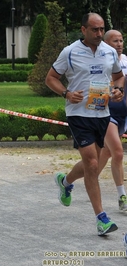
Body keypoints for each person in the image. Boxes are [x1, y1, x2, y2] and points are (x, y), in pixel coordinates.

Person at [45, 13, 125, 236]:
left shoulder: (109, 52)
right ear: (83, 29)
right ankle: (102, 219)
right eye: (95, 30)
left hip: (102, 113)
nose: (99, 34)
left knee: (93, 162)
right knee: (91, 164)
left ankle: (65, 181)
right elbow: (50, 77)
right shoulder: (70, 52)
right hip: (78, 114)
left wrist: (118, 90)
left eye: (102, 29)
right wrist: (66, 93)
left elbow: (119, 77)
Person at [97, 29, 127, 211]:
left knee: (106, 153)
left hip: (123, 115)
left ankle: (83, 179)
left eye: (121, 40)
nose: (119, 44)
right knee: (117, 152)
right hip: (106, 114)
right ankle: (122, 197)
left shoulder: (126, 61)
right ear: (106, 44)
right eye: (115, 41)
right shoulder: (99, 62)